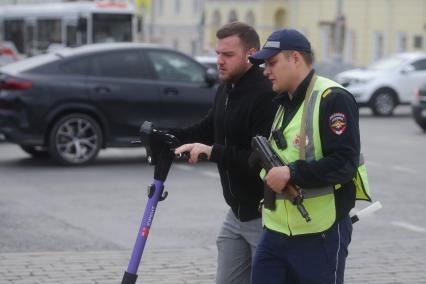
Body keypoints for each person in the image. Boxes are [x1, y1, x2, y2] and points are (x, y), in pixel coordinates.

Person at [248, 29, 371, 284]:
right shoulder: (284, 101)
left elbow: (344, 164)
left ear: (295, 58)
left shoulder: (332, 98)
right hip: (276, 232)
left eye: (272, 63)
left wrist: (292, 173)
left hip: (320, 233)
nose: (265, 70)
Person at [173, 22, 277, 284]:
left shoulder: (265, 94)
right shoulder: (227, 88)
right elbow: (209, 127)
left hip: (265, 216)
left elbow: (258, 160)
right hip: (236, 212)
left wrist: (212, 152)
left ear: (251, 54)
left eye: (228, 55)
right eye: (218, 53)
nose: (219, 61)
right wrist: (170, 137)